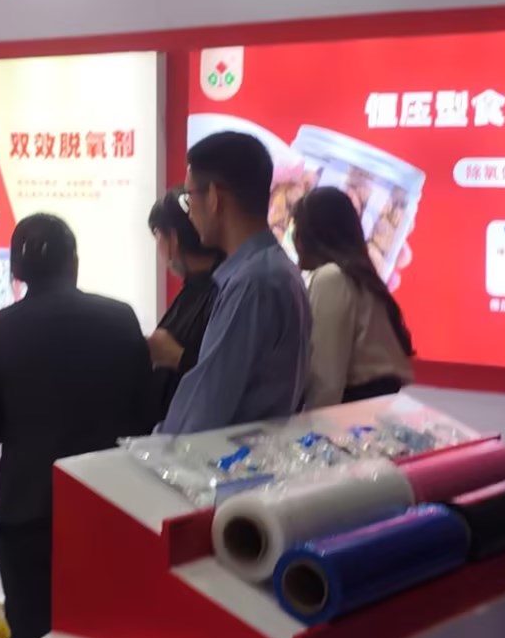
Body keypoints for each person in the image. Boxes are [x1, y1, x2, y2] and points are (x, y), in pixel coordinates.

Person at [0, 215, 153, 638]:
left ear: (16, 271)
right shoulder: (119, 317)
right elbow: (145, 416)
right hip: (108, 504)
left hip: (27, 509)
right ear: (74, 263)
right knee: (104, 636)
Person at [161, 132, 312, 434]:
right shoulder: (274, 269)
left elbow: (207, 405)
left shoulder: (252, 283)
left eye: (189, 197)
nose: (190, 213)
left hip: (230, 456)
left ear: (214, 197)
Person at [291, 187, 416, 407]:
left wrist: (310, 427)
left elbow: (326, 381)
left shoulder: (332, 277)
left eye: (298, 229)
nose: (293, 238)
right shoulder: (360, 277)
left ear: (312, 236)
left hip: (354, 409)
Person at [145, 193, 224, 424]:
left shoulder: (223, 291)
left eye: (158, 236)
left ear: (173, 240)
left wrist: (176, 356)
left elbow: (228, 376)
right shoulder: (201, 286)